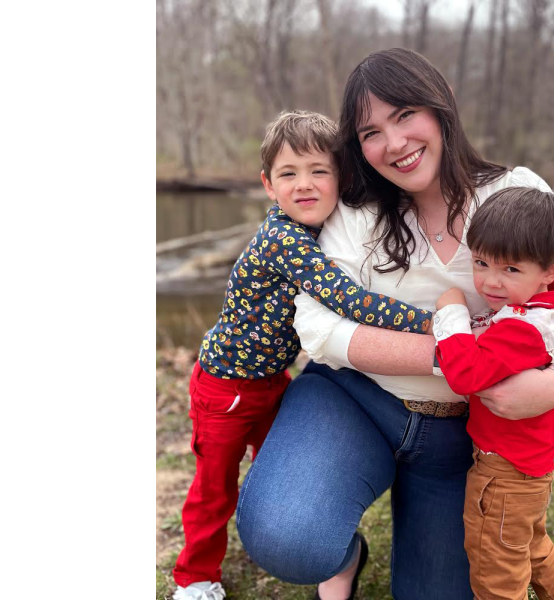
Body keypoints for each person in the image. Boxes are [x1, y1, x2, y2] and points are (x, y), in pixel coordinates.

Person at [236, 49, 554, 600]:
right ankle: (343, 555)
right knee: (290, 537)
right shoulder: (352, 209)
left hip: (465, 438)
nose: (395, 143)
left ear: (441, 105)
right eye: (371, 132)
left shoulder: (514, 193)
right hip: (354, 400)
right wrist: (455, 354)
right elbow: (318, 328)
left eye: (405, 115)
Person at [172, 110, 431, 600]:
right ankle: (195, 578)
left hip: (273, 382)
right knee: (215, 487)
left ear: (341, 177)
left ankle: (321, 540)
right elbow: (349, 301)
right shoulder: (284, 239)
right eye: (289, 174)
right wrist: (428, 323)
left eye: (319, 171)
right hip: (227, 387)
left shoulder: (325, 228)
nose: (304, 184)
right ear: (268, 185)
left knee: (282, 471)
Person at [434, 187, 554, 600]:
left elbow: (465, 373)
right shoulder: (546, 306)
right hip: (529, 468)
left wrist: (451, 313)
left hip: (503, 473)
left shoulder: (524, 328)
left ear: (551, 270)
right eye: (480, 263)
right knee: (531, 549)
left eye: (511, 270)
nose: (489, 282)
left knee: (495, 571)